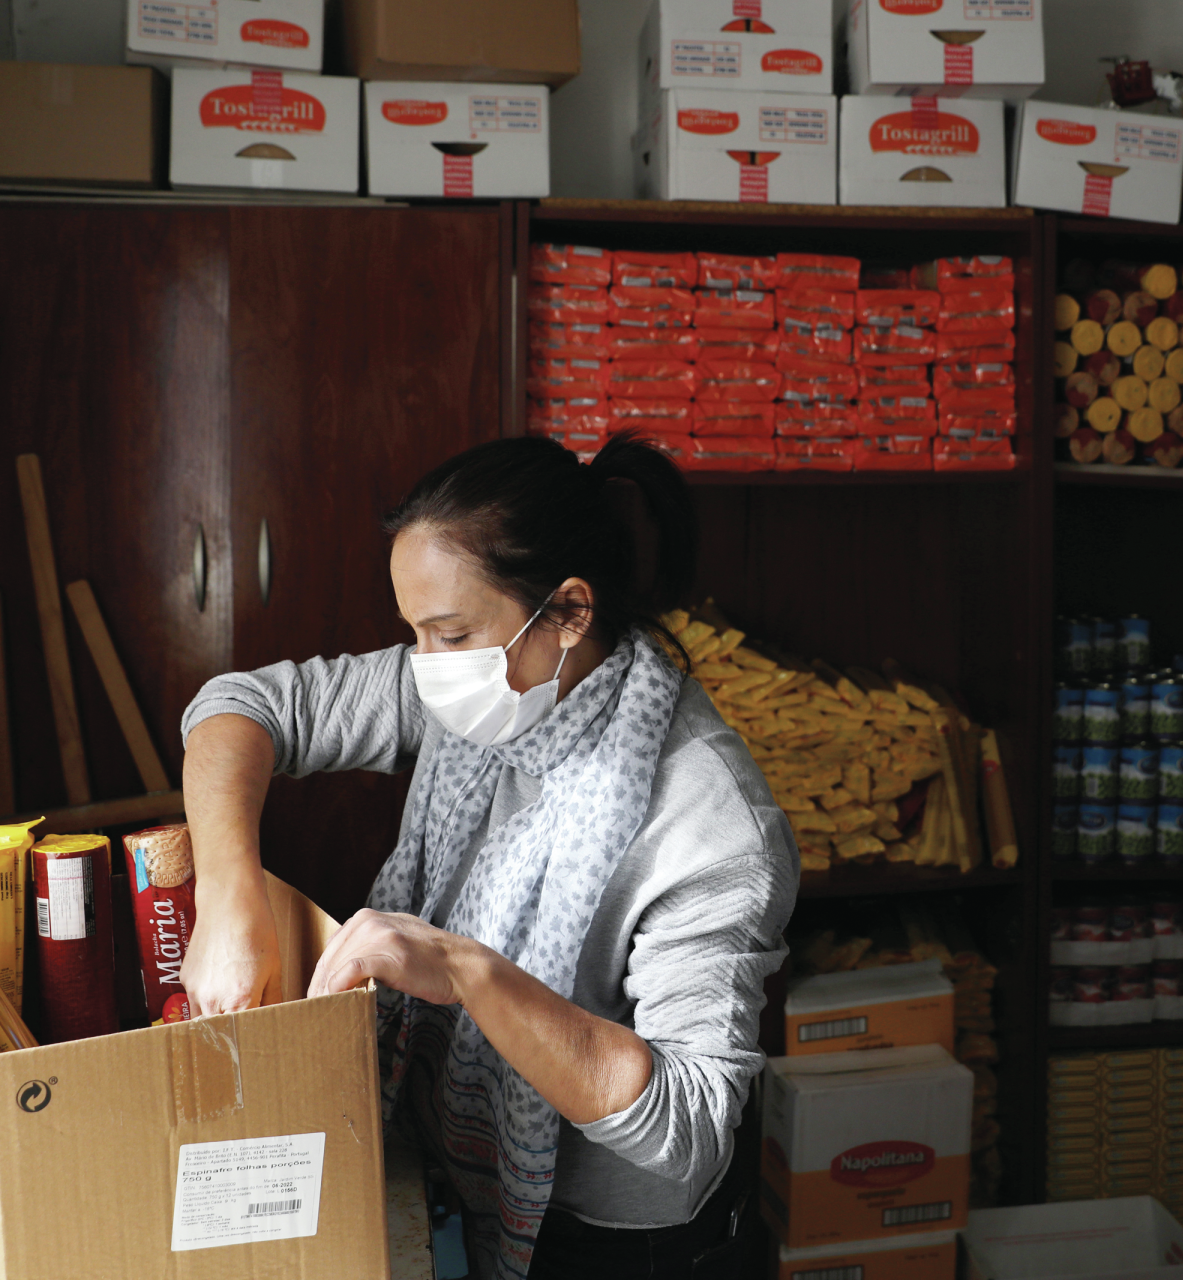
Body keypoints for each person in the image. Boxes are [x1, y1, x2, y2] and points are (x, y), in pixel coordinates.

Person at [175, 434, 799, 1280]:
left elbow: (683, 1129)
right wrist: (226, 891)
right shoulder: (474, 689)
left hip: (617, 1244)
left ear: (569, 612)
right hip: (446, 1170)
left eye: (450, 633)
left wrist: (464, 971)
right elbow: (239, 707)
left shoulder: (711, 822)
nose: (424, 669)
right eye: (414, 633)